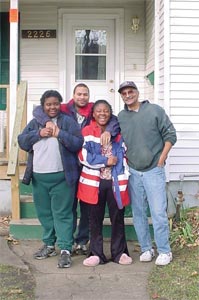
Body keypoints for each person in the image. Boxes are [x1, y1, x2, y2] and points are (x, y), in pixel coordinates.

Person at [33, 83, 120, 255]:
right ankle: (68, 241)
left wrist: (108, 130)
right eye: (79, 94)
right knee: (69, 205)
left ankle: (82, 240)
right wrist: (47, 123)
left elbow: (113, 119)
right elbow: (38, 110)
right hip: (69, 164)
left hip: (89, 166)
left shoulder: (94, 110)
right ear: (73, 95)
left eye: (85, 94)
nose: (82, 97)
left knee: (87, 205)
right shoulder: (64, 109)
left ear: (88, 96)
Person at [18, 90, 83, 268]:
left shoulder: (68, 122)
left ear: (60, 104)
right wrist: (39, 134)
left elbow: (78, 142)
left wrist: (59, 134)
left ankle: (65, 249)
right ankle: (48, 244)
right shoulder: (35, 122)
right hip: (39, 177)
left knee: (63, 213)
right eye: (48, 104)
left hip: (62, 176)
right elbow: (22, 141)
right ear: (43, 106)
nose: (52, 107)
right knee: (44, 214)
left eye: (55, 104)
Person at [118, 81, 177, 266]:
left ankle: (165, 251)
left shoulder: (154, 111)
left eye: (131, 91)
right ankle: (146, 248)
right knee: (138, 213)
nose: (128, 95)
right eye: (124, 93)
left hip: (154, 170)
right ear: (121, 96)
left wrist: (161, 160)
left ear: (137, 92)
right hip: (134, 171)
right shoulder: (121, 117)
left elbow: (170, 135)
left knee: (158, 212)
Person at [77, 100, 132, 267]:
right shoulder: (87, 131)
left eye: (106, 111)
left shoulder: (118, 132)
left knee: (118, 218)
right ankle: (96, 253)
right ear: (93, 114)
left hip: (116, 181)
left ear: (110, 113)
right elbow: (83, 157)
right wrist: (106, 160)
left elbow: (124, 154)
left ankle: (119, 252)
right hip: (94, 183)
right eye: (99, 111)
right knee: (95, 219)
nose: (102, 114)